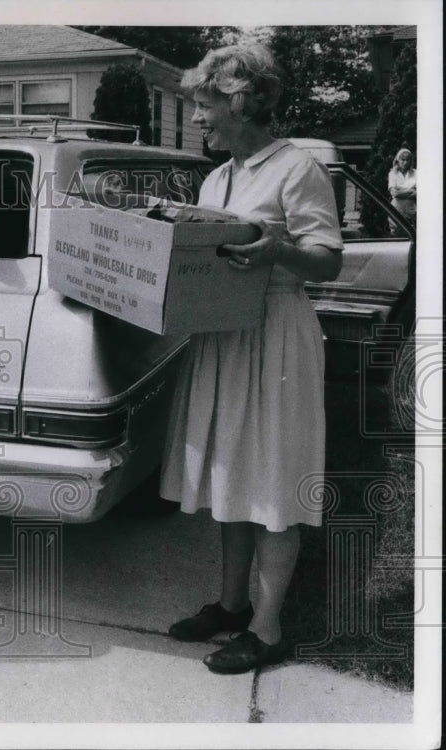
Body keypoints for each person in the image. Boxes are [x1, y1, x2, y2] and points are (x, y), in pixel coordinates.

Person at [159, 45, 343, 674]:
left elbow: (327, 260)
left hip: (276, 335)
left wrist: (277, 249)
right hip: (224, 334)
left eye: (205, 107)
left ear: (240, 102)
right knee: (231, 473)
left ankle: (268, 630)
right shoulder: (216, 178)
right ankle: (231, 605)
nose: (198, 121)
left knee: (274, 476)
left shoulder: (296, 169)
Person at [387, 147, 416, 234]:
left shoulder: (416, 173)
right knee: (396, 234)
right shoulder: (392, 174)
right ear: (397, 160)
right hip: (396, 208)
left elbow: (420, 193)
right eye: (402, 160)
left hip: (411, 209)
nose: (405, 162)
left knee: (411, 234)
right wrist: (411, 190)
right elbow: (394, 193)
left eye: (408, 160)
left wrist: (401, 191)